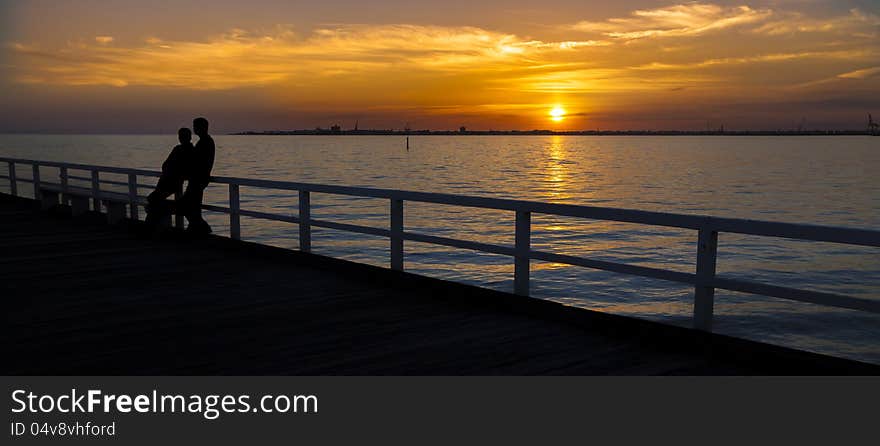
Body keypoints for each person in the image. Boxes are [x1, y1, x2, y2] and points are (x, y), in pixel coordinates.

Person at [144, 127, 194, 227]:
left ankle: (149, 227)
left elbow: (184, 169)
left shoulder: (190, 151)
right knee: (153, 201)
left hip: (172, 183)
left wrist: (173, 170)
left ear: (189, 137)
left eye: (182, 136)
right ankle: (152, 226)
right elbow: (165, 165)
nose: (180, 138)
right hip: (166, 181)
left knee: (153, 200)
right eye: (180, 136)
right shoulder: (178, 149)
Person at [180, 117, 215, 234]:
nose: (194, 129)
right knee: (193, 206)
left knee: (186, 205)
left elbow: (199, 162)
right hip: (198, 178)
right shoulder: (204, 141)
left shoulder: (205, 142)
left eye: (196, 126)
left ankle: (203, 228)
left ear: (203, 127)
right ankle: (197, 229)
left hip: (199, 179)